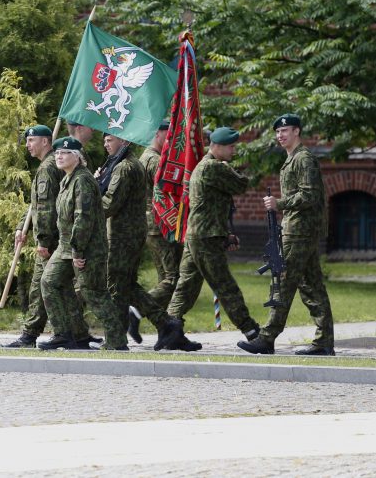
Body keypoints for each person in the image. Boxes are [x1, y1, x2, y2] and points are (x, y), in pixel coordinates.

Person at [238, 113, 335, 356]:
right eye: (278, 132)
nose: (280, 135)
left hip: (300, 231)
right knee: (312, 286)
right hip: (298, 229)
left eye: (286, 131)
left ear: (297, 132)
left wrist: (279, 204)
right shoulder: (292, 159)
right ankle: (324, 342)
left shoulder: (303, 159)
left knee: (284, 282)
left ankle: (267, 337)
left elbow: (310, 195)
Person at [159, 127, 261, 352]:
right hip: (205, 238)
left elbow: (212, 207)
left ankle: (170, 331)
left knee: (186, 286)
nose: (234, 150)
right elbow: (242, 185)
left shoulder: (203, 166)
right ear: (218, 146)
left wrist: (225, 234)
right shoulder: (213, 168)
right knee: (225, 285)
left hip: (198, 235)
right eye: (231, 147)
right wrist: (230, 170)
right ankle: (252, 331)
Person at [2, 125, 88, 347]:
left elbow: (46, 208)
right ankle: (79, 334)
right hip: (61, 238)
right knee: (63, 287)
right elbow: (35, 205)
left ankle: (30, 334)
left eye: (32, 140)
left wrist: (43, 241)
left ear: (45, 142)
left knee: (41, 285)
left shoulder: (47, 168)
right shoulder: (50, 165)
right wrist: (23, 225)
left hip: (53, 240)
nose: (28, 145)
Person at [40, 137, 127, 351]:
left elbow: (83, 218)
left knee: (93, 292)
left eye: (65, 153)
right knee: (50, 282)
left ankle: (117, 342)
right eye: (58, 152)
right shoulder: (67, 179)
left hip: (86, 248)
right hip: (66, 246)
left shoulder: (83, 180)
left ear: (77, 157)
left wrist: (78, 250)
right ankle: (68, 334)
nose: (59, 156)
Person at [98, 133, 168, 347]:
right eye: (105, 140)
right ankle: (166, 324)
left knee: (116, 287)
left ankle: (115, 339)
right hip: (129, 233)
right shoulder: (122, 164)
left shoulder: (125, 167)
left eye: (110, 140)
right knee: (126, 285)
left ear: (124, 141)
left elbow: (109, 205)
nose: (105, 144)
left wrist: (87, 200)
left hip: (123, 235)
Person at [137, 121, 184, 348]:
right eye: (169, 134)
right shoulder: (154, 160)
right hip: (160, 223)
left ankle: (166, 332)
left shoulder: (146, 157)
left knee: (165, 277)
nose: (173, 139)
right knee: (172, 277)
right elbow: (167, 191)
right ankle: (137, 309)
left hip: (154, 223)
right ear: (158, 134)